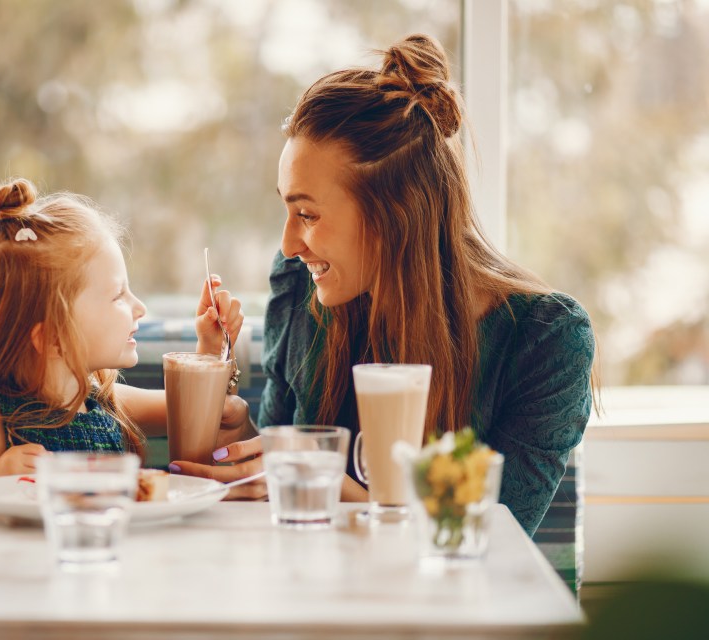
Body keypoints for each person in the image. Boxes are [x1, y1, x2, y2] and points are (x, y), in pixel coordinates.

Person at [173, 34, 595, 535]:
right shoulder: (302, 290)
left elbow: (488, 538)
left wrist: (322, 472)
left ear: (393, 215)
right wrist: (241, 437)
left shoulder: (545, 342)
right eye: (286, 210)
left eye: (307, 214)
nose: (289, 245)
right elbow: (284, 483)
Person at [0, 178, 245, 500]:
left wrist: (211, 350)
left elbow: (198, 414)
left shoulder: (100, 400)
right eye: (119, 295)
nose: (139, 308)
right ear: (53, 337)